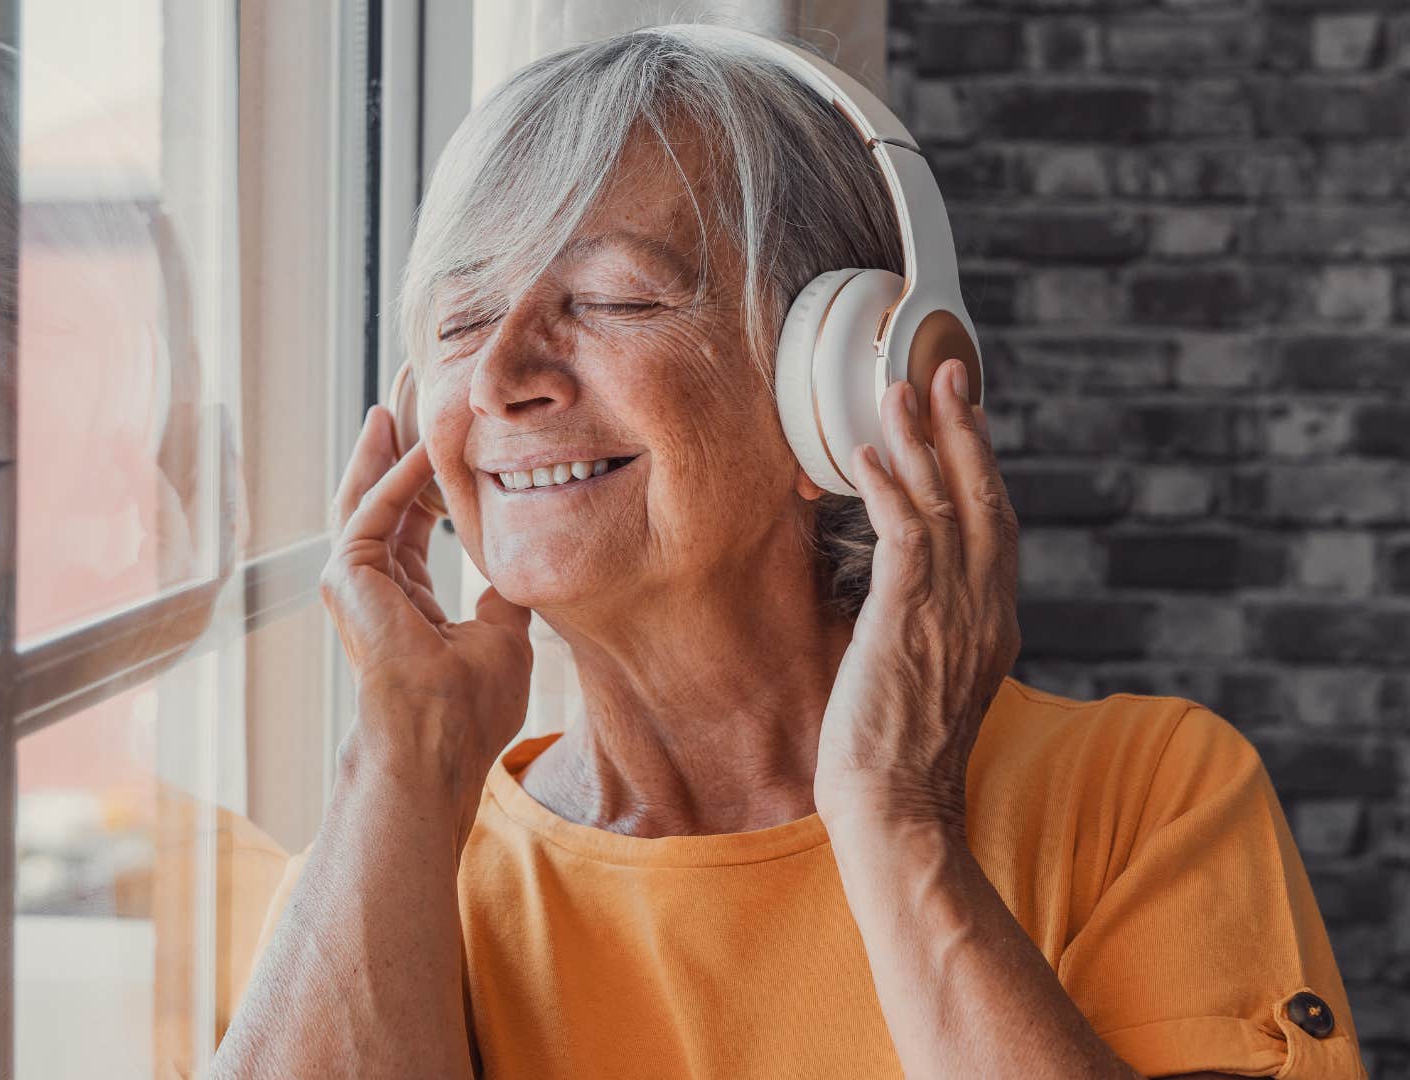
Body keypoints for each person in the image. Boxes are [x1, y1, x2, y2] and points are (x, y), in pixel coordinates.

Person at [211, 24, 1365, 1080]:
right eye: (462, 323)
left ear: (848, 385)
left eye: (613, 298)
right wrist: (401, 752)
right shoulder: (396, 865)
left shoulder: (1149, 797)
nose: (501, 379)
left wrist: (898, 817)